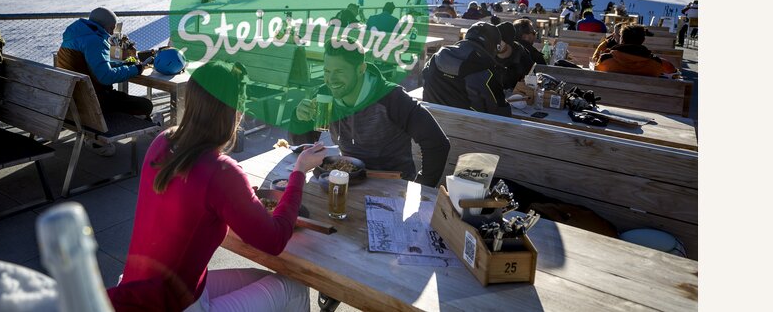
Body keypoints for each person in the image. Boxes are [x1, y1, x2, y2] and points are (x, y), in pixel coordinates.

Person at [111, 61, 323, 311]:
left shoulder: (163, 141)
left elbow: (190, 197)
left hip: (140, 293)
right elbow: (274, 240)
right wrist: (299, 171)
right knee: (293, 287)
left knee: (265, 279)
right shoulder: (221, 172)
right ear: (234, 111)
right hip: (174, 304)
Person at [291, 42, 450, 186]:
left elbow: (437, 143)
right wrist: (299, 120)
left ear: (361, 69)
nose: (330, 79)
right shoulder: (325, 94)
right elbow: (305, 146)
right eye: (327, 70)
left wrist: (422, 187)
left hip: (392, 185)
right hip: (346, 180)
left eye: (339, 71)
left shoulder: (391, 98)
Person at [56, 7, 157, 156]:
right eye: (111, 28)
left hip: (72, 100)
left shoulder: (76, 36)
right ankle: (98, 139)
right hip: (92, 104)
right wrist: (137, 69)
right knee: (146, 105)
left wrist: (124, 65)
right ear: (105, 26)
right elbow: (106, 76)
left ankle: (99, 136)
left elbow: (94, 65)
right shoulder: (95, 40)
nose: (111, 32)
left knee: (127, 101)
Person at [422, 21, 511, 117]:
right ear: (494, 47)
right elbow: (502, 115)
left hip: (430, 124)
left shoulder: (436, 58)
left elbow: (425, 84)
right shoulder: (488, 73)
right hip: (469, 129)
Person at [595, 24, 678, 77]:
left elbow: (596, 72)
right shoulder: (656, 62)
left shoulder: (605, 59)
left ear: (622, 40)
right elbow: (672, 71)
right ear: (643, 40)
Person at [494, 22, 534, 90]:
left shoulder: (521, 54)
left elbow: (531, 77)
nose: (496, 43)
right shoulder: (489, 53)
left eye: (499, 40)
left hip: (517, 95)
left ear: (508, 40)